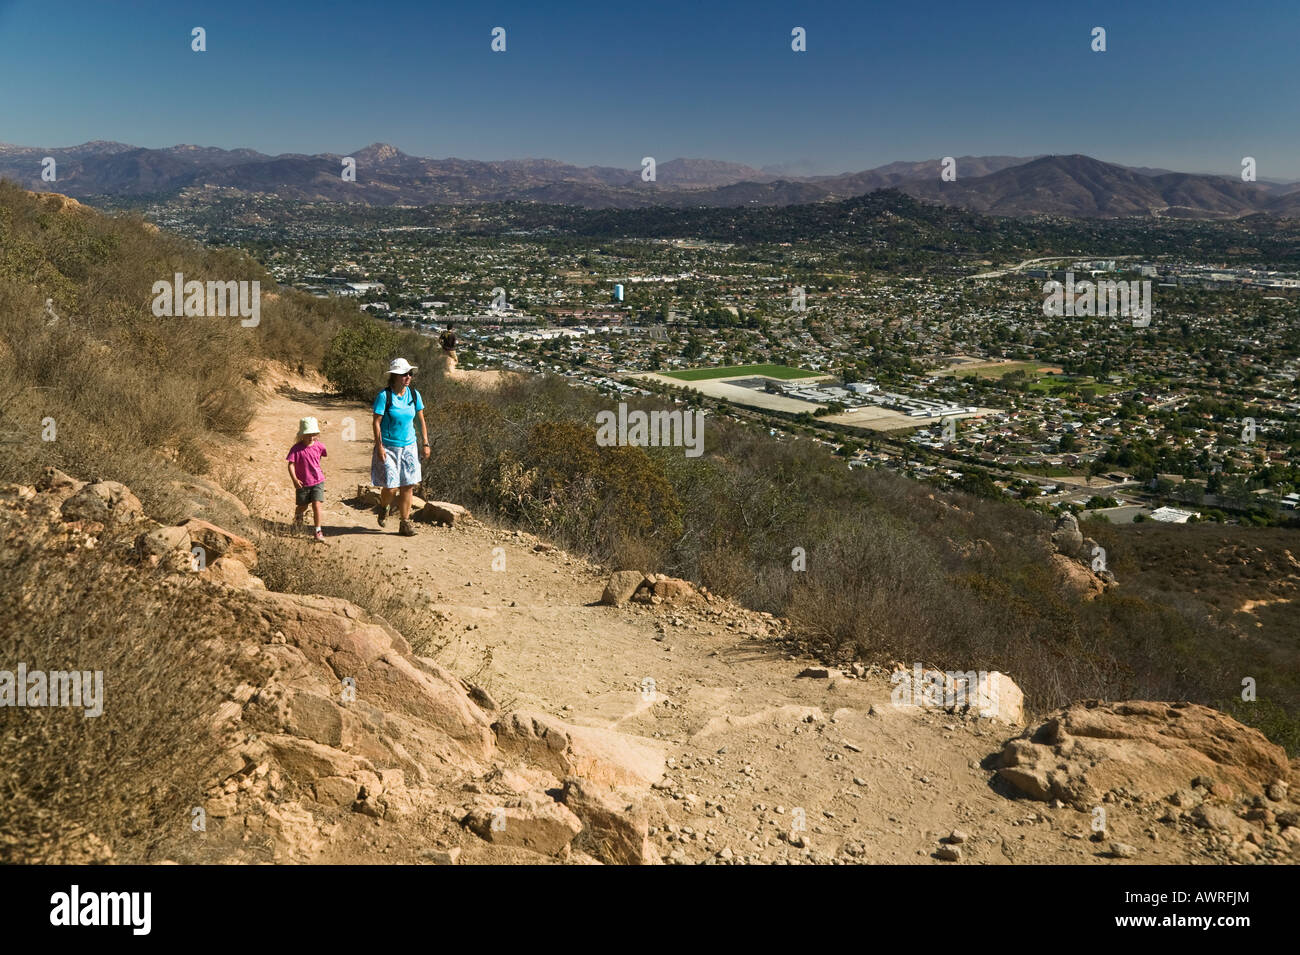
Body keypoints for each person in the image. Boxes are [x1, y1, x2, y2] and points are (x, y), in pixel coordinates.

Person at [372, 358, 431, 536]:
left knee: (408, 485)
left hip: (409, 446)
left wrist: (425, 442)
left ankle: (404, 523)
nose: (408, 376)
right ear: (395, 376)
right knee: (391, 487)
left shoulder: (414, 395)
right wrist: (379, 446)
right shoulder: (384, 396)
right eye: (404, 374)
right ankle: (383, 507)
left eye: (409, 373)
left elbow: (420, 420)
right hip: (389, 446)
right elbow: (376, 422)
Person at [287, 417, 327, 542]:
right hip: (302, 483)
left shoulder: (320, 446)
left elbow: (320, 457)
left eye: (314, 434)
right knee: (302, 506)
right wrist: (294, 479)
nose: (311, 437)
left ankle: (318, 531)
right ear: (302, 435)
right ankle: (298, 517)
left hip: (318, 481)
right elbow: (291, 464)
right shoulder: (296, 449)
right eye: (308, 435)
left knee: (316, 505)